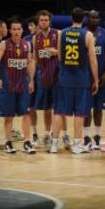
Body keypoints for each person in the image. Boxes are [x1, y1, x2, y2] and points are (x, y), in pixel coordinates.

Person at [50, 7, 98, 154]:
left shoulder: (61, 33)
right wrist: (95, 79)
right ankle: (77, 144)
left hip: (64, 77)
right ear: (83, 19)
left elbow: (59, 55)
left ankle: (53, 144)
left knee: (59, 111)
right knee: (80, 113)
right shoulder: (88, 35)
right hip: (81, 78)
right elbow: (92, 59)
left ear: (71, 18)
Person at [0, 17, 36, 154]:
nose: (16, 31)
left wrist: (32, 80)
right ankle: (8, 142)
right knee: (9, 116)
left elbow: (28, 63)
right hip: (8, 85)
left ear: (22, 30)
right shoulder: (4, 44)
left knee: (26, 114)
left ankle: (27, 142)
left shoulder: (27, 44)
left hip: (22, 85)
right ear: (10, 31)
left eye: (19, 29)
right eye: (14, 29)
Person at [32, 10, 72, 149]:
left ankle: (66, 134)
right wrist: (32, 78)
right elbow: (35, 59)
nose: (44, 22)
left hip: (58, 77)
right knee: (46, 109)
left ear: (50, 21)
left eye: (46, 20)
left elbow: (66, 52)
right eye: (41, 20)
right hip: (43, 77)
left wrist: (54, 52)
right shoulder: (35, 38)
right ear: (38, 21)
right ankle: (47, 134)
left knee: (60, 109)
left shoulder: (58, 33)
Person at [83, 10, 105, 150]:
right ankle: (87, 137)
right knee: (86, 108)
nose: (94, 19)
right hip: (86, 77)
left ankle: (98, 136)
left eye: (96, 17)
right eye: (92, 17)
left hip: (102, 76)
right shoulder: (82, 33)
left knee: (99, 108)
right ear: (87, 18)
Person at [24, 17, 38, 145]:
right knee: (31, 106)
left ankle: (49, 134)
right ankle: (34, 134)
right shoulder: (26, 40)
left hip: (45, 75)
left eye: (31, 25)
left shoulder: (50, 37)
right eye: (28, 26)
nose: (29, 28)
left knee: (50, 108)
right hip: (31, 77)